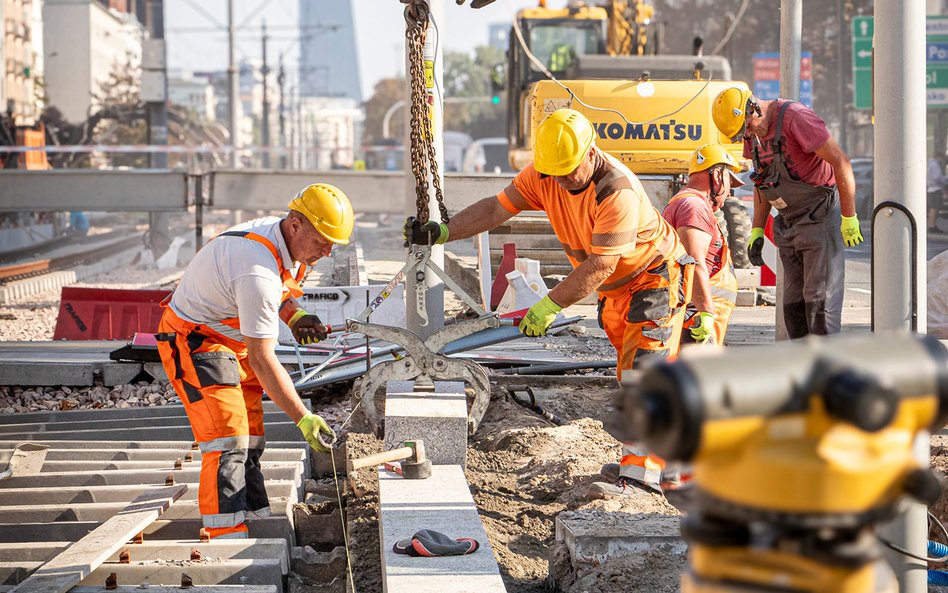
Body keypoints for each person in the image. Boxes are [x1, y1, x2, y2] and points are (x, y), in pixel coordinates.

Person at [404, 108, 694, 496]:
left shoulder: (616, 191)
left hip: (653, 277)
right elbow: (496, 208)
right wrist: (444, 231)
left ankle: (641, 478)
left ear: (591, 152)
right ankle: (667, 463)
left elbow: (601, 264)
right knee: (630, 372)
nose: (562, 180)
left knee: (646, 371)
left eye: (569, 171)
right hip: (617, 290)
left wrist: (549, 305)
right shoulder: (545, 174)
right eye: (555, 173)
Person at [155, 183, 350, 539]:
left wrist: (294, 315)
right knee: (227, 438)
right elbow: (262, 358)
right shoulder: (255, 269)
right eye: (322, 241)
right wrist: (303, 417)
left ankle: (255, 516)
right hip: (196, 341)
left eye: (333, 244)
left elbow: (279, 290)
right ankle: (224, 535)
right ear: (296, 224)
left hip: (231, 342)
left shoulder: (281, 241)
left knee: (252, 436)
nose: (327, 251)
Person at [712, 88, 861, 338]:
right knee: (793, 306)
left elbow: (840, 161)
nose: (747, 136)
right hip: (789, 222)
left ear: (753, 108)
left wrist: (849, 216)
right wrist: (757, 229)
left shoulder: (796, 118)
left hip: (819, 215)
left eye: (747, 128)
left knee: (819, 303)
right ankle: (800, 358)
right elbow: (762, 182)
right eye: (742, 134)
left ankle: (825, 360)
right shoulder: (752, 135)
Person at [662, 144, 741, 346]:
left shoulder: (689, 204)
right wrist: (706, 312)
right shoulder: (694, 207)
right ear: (718, 176)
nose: (729, 193)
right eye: (729, 182)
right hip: (694, 320)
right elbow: (694, 262)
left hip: (693, 317)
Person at [928, 153, 947, 234]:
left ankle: (932, 225)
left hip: (930, 189)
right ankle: (932, 226)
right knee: (935, 208)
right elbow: (937, 177)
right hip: (936, 189)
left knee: (933, 208)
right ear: (939, 157)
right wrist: (945, 180)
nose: (942, 161)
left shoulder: (929, 164)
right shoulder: (935, 165)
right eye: (942, 158)